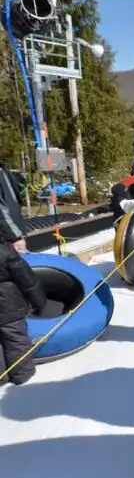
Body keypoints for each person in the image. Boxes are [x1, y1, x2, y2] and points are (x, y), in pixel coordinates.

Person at [0, 239, 47, 386]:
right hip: (8, 305)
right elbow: (27, 280)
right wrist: (39, 302)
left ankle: (1, 376)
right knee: (16, 339)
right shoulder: (5, 251)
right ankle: (23, 374)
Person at [0, 160, 27, 252]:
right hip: (8, 238)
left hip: (14, 231)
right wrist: (15, 237)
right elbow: (1, 212)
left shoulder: (3, 168)